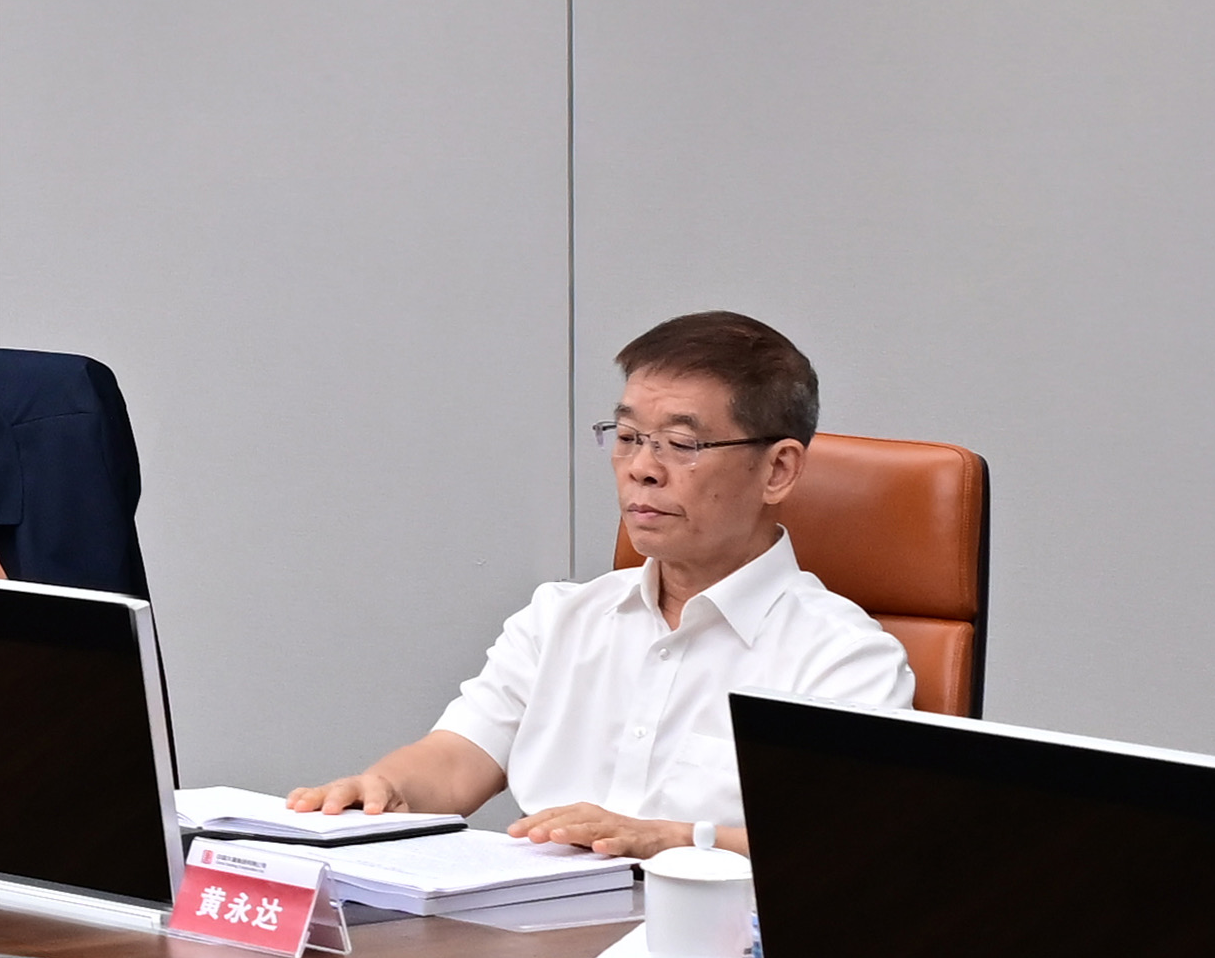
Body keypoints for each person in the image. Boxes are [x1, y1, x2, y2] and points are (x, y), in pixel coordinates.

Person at [283, 309, 916, 854]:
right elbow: (455, 759)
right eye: (630, 437)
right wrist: (384, 789)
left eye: (680, 444)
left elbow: (855, 845)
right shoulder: (559, 619)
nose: (641, 468)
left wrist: (674, 839)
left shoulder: (840, 657)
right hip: (531, 935)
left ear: (777, 470)